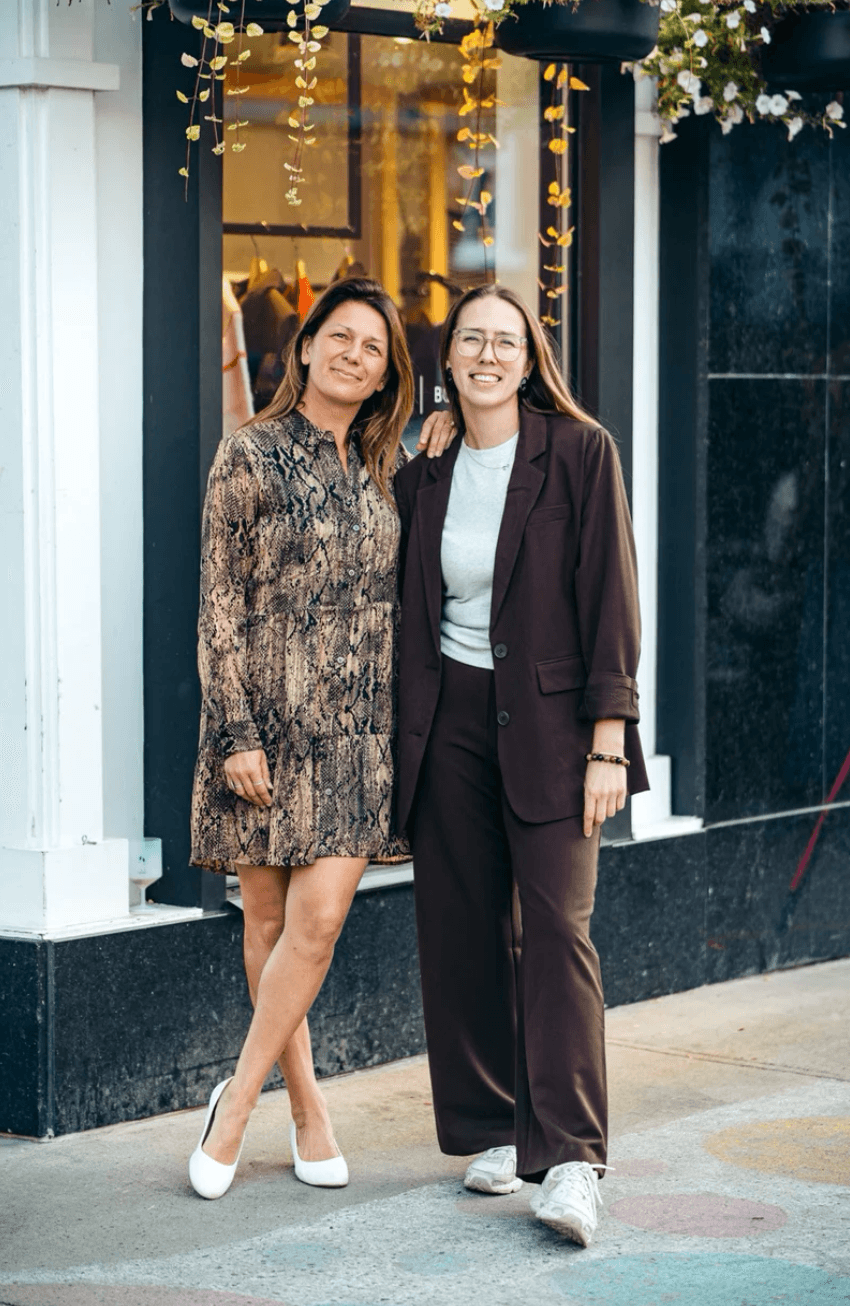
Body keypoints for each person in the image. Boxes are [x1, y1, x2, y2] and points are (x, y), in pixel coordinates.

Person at [394, 284, 649, 1247]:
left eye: (507, 341)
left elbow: (612, 600)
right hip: (447, 720)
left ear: (529, 356)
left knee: (556, 931)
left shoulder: (580, 453)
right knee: (461, 929)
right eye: (472, 340)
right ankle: (496, 1126)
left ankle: (575, 1159)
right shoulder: (425, 469)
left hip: (552, 725)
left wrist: (608, 741)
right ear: (449, 357)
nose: (489, 355)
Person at [188, 277, 453, 1200]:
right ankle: (308, 1109)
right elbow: (218, 601)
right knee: (265, 922)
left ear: (388, 376)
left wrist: (444, 450)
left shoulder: (391, 469)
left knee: (321, 920)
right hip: (260, 727)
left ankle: (235, 1108)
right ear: (304, 348)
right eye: (339, 337)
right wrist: (234, 734)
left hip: (356, 735)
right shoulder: (249, 455)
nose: (354, 354)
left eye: (374, 348)